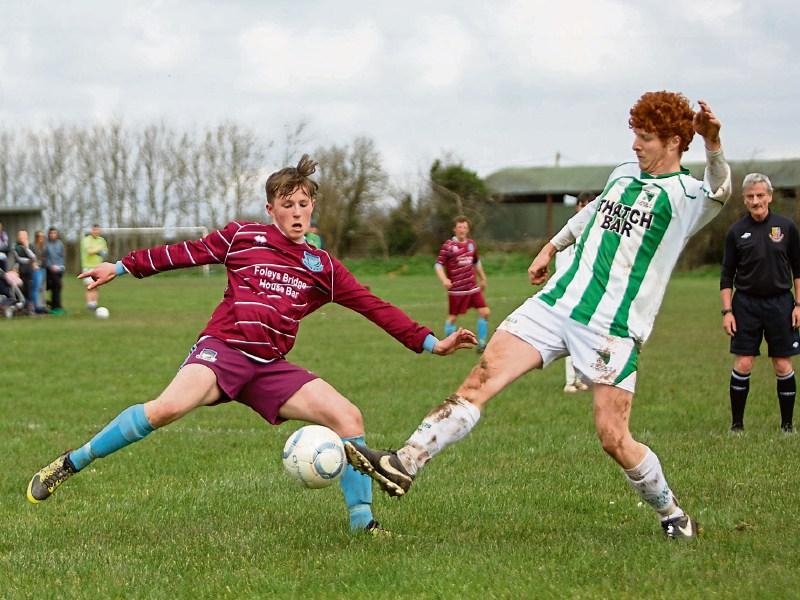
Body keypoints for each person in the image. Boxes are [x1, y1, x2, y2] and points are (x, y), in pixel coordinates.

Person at [346, 92, 732, 540]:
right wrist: (552, 247)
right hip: (556, 304)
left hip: (612, 327)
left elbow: (720, 190)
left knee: (613, 437)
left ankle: (673, 516)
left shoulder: (685, 195)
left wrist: (714, 143)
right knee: (481, 377)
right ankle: (405, 461)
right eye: (635, 136)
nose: (634, 146)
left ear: (673, 141)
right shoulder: (624, 174)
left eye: (645, 138)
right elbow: (590, 217)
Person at [26, 155, 477, 536]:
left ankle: (364, 526)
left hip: (269, 367)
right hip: (221, 351)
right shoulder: (243, 237)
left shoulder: (322, 266)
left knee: (348, 416)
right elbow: (184, 252)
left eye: (305, 203)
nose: (298, 212)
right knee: (164, 409)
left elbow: (373, 306)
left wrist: (431, 342)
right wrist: (120, 268)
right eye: (289, 205)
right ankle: (70, 462)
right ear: (271, 209)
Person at [720, 173, 800, 433]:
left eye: (760, 195)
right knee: (743, 363)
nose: (756, 201)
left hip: (781, 304)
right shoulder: (736, 231)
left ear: (770, 196)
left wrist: (798, 305)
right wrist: (727, 311)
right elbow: (726, 275)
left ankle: (787, 426)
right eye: (750, 197)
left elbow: (798, 271)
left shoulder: (786, 228)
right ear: (744, 200)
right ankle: (737, 426)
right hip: (745, 305)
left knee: (782, 364)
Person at [555, 193, 594, 393]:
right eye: (583, 205)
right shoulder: (570, 233)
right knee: (572, 337)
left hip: (589, 293)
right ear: (577, 207)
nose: (586, 209)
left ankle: (579, 378)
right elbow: (561, 265)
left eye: (590, 205)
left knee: (585, 337)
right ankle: (570, 381)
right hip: (571, 292)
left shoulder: (596, 234)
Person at [435, 216, 491, 352]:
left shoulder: (471, 244)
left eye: (465, 227)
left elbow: (476, 262)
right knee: (453, 318)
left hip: (472, 287)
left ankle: (482, 344)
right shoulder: (448, 246)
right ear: (455, 229)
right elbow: (438, 265)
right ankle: (449, 344)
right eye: (460, 227)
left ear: (468, 229)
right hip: (457, 290)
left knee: (485, 312)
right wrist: (444, 280)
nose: (462, 230)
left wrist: (483, 278)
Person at [80, 224, 108, 311]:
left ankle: (94, 304)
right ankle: (89, 304)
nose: (96, 232)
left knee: (97, 286)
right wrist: (98, 249)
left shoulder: (102, 240)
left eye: (98, 230)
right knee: (89, 286)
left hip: (98, 267)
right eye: (94, 230)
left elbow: (104, 252)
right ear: (92, 230)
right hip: (88, 267)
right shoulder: (86, 240)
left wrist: (97, 250)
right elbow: (89, 251)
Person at [12, 229, 36, 313]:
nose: (21, 237)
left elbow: (33, 257)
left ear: (27, 237)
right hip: (20, 271)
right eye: (20, 236)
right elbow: (18, 259)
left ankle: (29, 308)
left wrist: (26, 248)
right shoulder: (15, 246)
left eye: (23, 236)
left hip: (29, 272)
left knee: (29, 289)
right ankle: (20, 308)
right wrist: (29, 260)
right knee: (19, 290)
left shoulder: (31, 246)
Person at [44, 227, 66, 314]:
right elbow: (45, 257)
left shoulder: (60, 244)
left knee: (57, 287)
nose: (53, 235)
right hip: (49, 270)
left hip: (59, 269)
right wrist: (50, 266)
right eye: (51, 233)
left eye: (54, 233)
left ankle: (55, 305)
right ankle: (56, 305)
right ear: (49, 234)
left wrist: (60, 267)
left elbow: (61, 256)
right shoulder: (46, 244)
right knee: (56, 285)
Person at [31, 230, 48, 313]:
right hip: (36, 269)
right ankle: (36, 306)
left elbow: (45, 257)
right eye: (39, 236)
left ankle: (42, 305)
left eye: (42, 236)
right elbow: (32, 258)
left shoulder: (44, 246)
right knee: (36, 287)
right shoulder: (33, 246)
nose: (41, 238)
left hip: (43, 268)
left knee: (43, 288)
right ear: (36, 237)